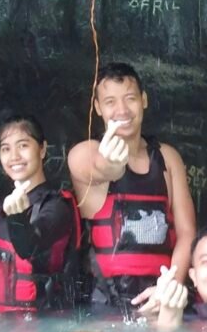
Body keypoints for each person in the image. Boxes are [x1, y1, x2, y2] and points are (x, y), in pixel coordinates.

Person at [68, 61, 196, 308]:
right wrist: (113, 164)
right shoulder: (83, 153)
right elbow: (101, 168)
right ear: (97, 108)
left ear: (144, 100)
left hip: (162, 295)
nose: (122, 110)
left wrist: (168, 289)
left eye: (130, 99)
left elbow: (187, 232)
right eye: (110, 102)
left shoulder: (167, 158)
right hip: (104, 302)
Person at [0, 113, 80, 314]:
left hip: (40, 326)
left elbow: (29, 247)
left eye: (23, 145)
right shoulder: (0, 205)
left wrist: (17, 219)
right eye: (6, 149)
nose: (14, 156)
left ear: (42, 149)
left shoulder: (56, 206)